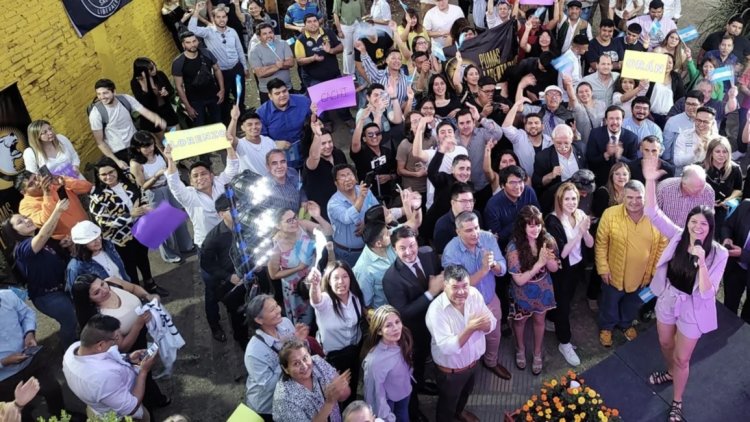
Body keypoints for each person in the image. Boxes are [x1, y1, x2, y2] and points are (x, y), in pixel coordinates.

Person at [642, 157, 728, 422]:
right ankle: (669, 371)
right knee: (665, 343)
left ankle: (677, 400)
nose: (697, 228)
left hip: (694, 308)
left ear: (710, 228)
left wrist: (702, 262)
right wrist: (649, 180)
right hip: (669, 299)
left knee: (682, 359)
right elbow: (652, 213)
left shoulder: (718, 254)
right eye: (694, 222)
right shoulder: (679, 235)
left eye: (703, 224)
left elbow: (706, 293)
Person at [595, 179, 667, 347]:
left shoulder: (656, 217)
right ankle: (607, 327)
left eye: (638, 197)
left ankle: (626, 323)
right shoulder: (610, 214)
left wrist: (655, 273)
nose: (634, 202)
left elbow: (663, 245)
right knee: (610, 303)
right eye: (630, 197)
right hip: (613, 274)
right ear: (622, 196)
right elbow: (601, 244)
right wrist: (603, 268)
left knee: (634, 302)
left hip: (644, 278)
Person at [442, 211, 511, 381]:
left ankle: (491, 362)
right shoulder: (450, 252)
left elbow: (503, 266)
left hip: (489, 298)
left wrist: (494, 265)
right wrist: (483, 270)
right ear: (458, 232)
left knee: (494, 335)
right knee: (468, 343)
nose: (474, 234)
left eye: (476, 228)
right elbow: (459, 287)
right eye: (468, 230)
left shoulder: (488, 238)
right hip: (464, 307)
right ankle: (470, 372)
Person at [1, 199, 77, 348]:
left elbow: (47, 254)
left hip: (62, 288)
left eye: (25, 217)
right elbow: (43, 235)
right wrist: (57, 211)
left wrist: (63, 246)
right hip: (48, 297)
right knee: (70, 320)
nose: (27, 220)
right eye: (20, 222)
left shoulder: (40, 243)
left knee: (74, 320)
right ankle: (70, 351)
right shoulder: (22, 249)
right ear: (14, 233)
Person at [425, 264, 496, 422]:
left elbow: (492, 322)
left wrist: (486, 325)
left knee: (466, 393)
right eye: (455, 287)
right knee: (447, 404)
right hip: (451, 373)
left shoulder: (474, 294)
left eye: (465, 285)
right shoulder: (435, 311)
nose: (462, 292)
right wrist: (471, 328)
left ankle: (460, 412)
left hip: (473, 364)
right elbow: (447, 347)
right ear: (444, 286)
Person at [89, 158, 168, 296]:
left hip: (140, 227)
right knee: (129, 265)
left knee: (143, 257)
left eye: (111, 172)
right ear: (98, 176)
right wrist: (129, 215)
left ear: (116, 170)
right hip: (120, 238)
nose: (108, 177)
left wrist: (145, 206)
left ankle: (150, 284)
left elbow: (141, 192)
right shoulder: (97, 196)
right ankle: (138, 292)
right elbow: (102, 220)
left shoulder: (129, 179)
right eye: (103, 175)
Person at [382, 226, 442, 410]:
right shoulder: (391, 278)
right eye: (402, 248)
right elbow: (404, 312)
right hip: (414, 331)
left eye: (412, 245)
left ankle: (423, 383)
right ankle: (414, 408)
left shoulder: (428, 255)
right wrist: (431, 293)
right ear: (394, 249)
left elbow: (439, 276)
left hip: (436, 322)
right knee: (413, 368)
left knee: (425, 359)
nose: (409, 252)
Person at [63, 315, 159, 421]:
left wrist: (128, 358)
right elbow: (131, 408)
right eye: (115, 339)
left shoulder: (73, 349)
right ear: (100, 345)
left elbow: (105, 356)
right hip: (119, 416)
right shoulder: (102, 377)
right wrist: (144, 372)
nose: (116, 342)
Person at [505, 205, 559, 374]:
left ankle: (537, 353)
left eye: (538, 224)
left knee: (539, 321)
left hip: (543, 288)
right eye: (531, 225)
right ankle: (520, 348)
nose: (535, 229)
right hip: (522, 291)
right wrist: (539, 264)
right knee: (520, 321)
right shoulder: (514, 248)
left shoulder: (548, 239)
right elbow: (519, 280)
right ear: (523, 226)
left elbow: (554, 268)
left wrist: (548, 259)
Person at [544, 183, 594, 367]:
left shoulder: (580, 215)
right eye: (567, 199)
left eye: (574, 198)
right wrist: (578, 233)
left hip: (576, 267)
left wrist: (586, 231)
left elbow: (589, 244)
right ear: (559, 200)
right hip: (562, 270)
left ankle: (553, 321)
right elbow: (562, 254)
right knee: (563, 305)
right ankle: (564, 343)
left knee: (567, 300)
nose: (571, 202)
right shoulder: (552, 221)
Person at [308, 262, 367, 409]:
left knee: (350, 388)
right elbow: (316, 300)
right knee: (335, 395)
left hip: (353, 352)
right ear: (328, 280)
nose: (341, 281)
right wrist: (314, 285)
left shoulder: (355, 297)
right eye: (336, 278)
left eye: (345, 276)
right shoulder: (326, 301)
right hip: (332, 358)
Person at [0, 290, 66, 421]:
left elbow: (26, 314)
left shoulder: (7, 296)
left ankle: (61, 416)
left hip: (30, 360)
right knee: (19, 413)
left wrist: (29, 333)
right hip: (5, 378)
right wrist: (4, 362)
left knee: (53, 389)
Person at [129, 131, 193, 264]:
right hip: (154, 192)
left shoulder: (157, 151)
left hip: (169, 186)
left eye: (151, 145)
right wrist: (156, 176)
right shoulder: (136, 164)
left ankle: (186, 245)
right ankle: (170, 254)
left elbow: (168, 161)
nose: (150, 149)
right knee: (163, 225)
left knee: (178, 216)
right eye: (145, 147)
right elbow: (143, 186)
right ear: (137, 148)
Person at [244, 294, 310, 422]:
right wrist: (290, 356)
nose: (279, 310)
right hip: (269, 406)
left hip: (292, 393)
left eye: (276, 305)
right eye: (272, 309)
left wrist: (301, 342)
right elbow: (269, 386)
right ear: (259, 320)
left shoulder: (285, 323)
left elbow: (300, 353)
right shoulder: (254, 352)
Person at [200, 195, 254, 344]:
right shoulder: (213, 239)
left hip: (249, 274)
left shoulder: (249, 225)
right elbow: (206, 264)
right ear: (221, 214)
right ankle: (241, 339)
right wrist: (229, 277)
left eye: (240, 207)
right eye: (232, 209)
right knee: (236, 313)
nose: (238, 212)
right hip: (230, 282)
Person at [164, 143, 239, 248]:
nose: (200, 178)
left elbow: (233, 167)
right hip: (208, 245)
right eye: (195, 176)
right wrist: (170, 160)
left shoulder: (221, 183)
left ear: (211, 175)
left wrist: (228, 146)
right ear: (191, 181)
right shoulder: (188, 196)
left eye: (203, 173)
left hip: (232, 238)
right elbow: (174, 183)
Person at [268, 205, 333, 325]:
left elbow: (329, 231)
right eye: (289, 221)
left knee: (323, 312)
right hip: (295, 289)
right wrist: (298, 268)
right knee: (304, 322)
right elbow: (273, 274)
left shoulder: (302, 225)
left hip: (315, 280)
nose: (294, 222)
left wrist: (317, 217)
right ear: (278, 226)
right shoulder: (276, 246)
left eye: (295, 217)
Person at [188, 2, 248, 122]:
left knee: (239, 96)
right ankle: (227, 122)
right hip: (221, 73)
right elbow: (192, 29)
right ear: (214, 18)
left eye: (224, 17)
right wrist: (196, 11)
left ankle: (242, 120)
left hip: (237, 69)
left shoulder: (232, 31)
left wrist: (245, 67)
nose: (221, 19)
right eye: (218, 17)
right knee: (223, 99)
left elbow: (240, 50)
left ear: (227, 17)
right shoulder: (208, 32)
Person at [90, 79, 166, 170]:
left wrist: (157, 119)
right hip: (119, 151)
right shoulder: (96, 113)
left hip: (136, 145)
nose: (102, 97)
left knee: (153, 169)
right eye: (99, 94)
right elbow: (100, 142)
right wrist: (116, 161)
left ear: (114, 91)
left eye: (105, 93)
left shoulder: (125, 99)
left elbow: (143, 111)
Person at [272, 339, 351, 422]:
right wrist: (329, 403)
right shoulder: (283, 399)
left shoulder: (318, 362)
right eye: (296, 363)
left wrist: (342, 389)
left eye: (305, 358)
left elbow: (344, 395)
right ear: (286, 369)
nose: (304, 366)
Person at [362, 305, 413, 422]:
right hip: (388, 402)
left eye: (397, 322)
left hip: (404, 392)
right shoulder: (375, 361)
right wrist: (386, 417)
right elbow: (375, 394)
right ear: (379, 331)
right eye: (388, 325)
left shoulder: (403, 339)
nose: (395, 328)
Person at [327, 164, 380, 267]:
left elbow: (378, 210)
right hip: (348, 254)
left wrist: (367, 223)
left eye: (349, 174)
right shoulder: (333, 203)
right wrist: (361, 198)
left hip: (369, 247)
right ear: (336, 183)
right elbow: (347, 218)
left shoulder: (364, 191)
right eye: (342, 176)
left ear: (355, 178)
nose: (347, 178)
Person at [172, 31, 225, 128]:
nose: (192, 44)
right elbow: (179, 86)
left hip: (212, 95)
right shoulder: (178, 63)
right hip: (194, 100)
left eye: (194, 41)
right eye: (188, 42)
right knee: (199, 127)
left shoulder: (206, 53)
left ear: (197, 41)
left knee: (218, 123)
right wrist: (188, 107)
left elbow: (217, 69)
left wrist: (222, 89)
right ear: (183, 44)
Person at [17, 172, 91, 240]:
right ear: (23, 192)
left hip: (89, 226)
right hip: (71, 241)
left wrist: (65, 182)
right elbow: (45, 221)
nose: (37, 183)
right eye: (31, 184)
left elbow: (87, 187)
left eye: (36, 178)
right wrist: (47, 194)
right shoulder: (25, 206)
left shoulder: (53, 182)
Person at [257, 78, 312, 170]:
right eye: (277, 93)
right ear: (270, 96)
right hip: (280, 156)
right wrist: (274, 144)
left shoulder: (303, 101)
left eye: (284, 91)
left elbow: (315, 119)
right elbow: (259, 138)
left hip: (306, 148)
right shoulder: (261, 113)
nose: (282, 95)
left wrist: (316, 117)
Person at [66, 220, 131, 292]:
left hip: (126, 290)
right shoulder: (75, 266)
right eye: (92, 240)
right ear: (82, 245)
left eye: (98, 236)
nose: (98, 241)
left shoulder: (108, 245)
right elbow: (75, 293)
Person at [304, 121, 348, 221]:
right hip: (325, 212)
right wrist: (317, 136)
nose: (328, 146)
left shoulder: (338, 154)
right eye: (323, 144)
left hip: (344, 205)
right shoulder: (311, 163)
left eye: (330, 142)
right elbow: (314, 156)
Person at [532, 124, 587, 204]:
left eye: (566, 143)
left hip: (581, 195)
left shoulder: (581, 149)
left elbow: (588, 171)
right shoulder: (542, 157)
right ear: (552, 140)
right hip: (558, 198)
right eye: (558, 143)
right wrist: (551, 175)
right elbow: (537, 183)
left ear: (571, 139)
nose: (563, 146)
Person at [586, 105, 639, 187]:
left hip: (623, 183)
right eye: (611, 118)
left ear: (622, 120)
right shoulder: (595, 134)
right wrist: (606, 155)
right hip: (600, 182)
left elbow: (634, 165)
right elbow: (590, 160)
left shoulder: (632, 138)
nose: (614, 122)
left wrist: (620, 157)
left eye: (618, 118)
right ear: (606, 120)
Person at [702, 137, 743, 235]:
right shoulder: (700, 168)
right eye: (718, 151)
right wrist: (707, 201)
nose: (721, 155)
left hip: (725, 209)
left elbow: (738, 190)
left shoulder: (735, 169)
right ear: (711, 152)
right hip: (704, 208)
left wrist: (728, 200)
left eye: (725, 152)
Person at [130, 58, 179, 137]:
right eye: (151, 69)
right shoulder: (135, 83)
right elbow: (143, 103)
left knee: (178, 137)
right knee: (165, 143)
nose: (154, 70)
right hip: (153, 117)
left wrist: (167, 92)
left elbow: (171, 90)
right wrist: (144, 87)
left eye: (154, 66)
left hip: (167, 111)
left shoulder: (160, 75)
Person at [502, 102, 552, 178]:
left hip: (547, 182)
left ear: (542, 127)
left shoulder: (550, 141)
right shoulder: (519, 137)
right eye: (529, 123)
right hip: (524, 182)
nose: (533, 126)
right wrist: (515, 105)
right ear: (525, 127)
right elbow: (506, 127)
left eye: (536, 123)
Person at [720, 199, 750, 323]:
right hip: (735, 268)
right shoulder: (745, 206)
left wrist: (743, 254)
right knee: (729, 308)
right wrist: (727, 238)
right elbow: (727, 226)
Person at [249, 23, 295, 104]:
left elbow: (291, 62)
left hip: (286, 88)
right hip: (267, 92)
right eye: (264, 34)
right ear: (259, 37)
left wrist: (269, 68)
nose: (268, 35)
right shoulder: (254, 51)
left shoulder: (283, 43)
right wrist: (277, 66)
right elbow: (260, 73)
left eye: (270, 32)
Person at [433, 183, 478, 255]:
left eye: (471, 201)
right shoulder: (442, 226)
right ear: (453, 203)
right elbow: (443, 255)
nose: (469, 205)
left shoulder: (476, 215)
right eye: (463, 201)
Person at [663, 91, 703, 163]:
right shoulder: (673, 121)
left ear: (702, 105)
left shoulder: (708, 121)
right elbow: (666, 148)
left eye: (694, 104)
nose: (690, 107)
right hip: (677, 165)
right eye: (688, 104)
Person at [566, 80, 606, 147]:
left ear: (592, 92)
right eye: (581, 92)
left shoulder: (601, 104)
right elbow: (572, 98)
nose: (584, 94)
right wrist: (569, 84)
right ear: (577, 95)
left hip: (600, 143)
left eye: (587, 91)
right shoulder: (577, 107)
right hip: (583, 144)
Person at [332, 0, 367, 75]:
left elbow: (363, 11)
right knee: (348, 51)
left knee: (359, 48)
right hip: (345, 26)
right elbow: (335, 14)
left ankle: (360, 69)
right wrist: (339, 30)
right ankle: (350, 73)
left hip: (358, 24)